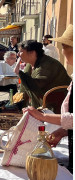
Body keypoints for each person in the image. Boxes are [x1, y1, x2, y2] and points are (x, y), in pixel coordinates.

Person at [23, 24, 73, 172]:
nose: (62, 51)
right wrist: (64, 131)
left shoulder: (47, 64)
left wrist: (42, 115)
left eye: (64, 46)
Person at [15, 40, 71, 108]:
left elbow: (37, 85)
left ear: (32, 53)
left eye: (21, 52)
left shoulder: (48, 64)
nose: (17, 54)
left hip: (59, 103)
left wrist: (20, 73)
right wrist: (18, 102)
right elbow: (24, 88)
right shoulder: (29, 65)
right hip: (43, 102)